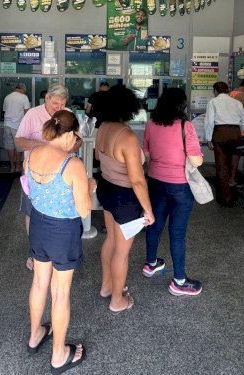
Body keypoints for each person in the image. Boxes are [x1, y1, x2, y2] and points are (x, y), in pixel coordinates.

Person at [24, 110, 93, 374]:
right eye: (76, 136)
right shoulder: (71, 164)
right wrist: (89, 186)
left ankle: (35, 336)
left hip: (39, 224)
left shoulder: (31, 154)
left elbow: (30, 189)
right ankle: (59, 355)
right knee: (60, 293)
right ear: (71, 134)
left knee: (39, 283)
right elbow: (84, 210)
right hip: (63, 231)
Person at [95, 84, 154, 312]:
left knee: (111, 239)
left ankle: (106, 287)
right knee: (122, 251)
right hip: (125, 197)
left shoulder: (103, 127)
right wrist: (148, 210)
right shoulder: (127, 136)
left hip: (107, 188)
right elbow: (138, 181)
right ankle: (117, 300)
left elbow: (98, 157)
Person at [143, 88, 204, 296]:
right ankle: (179, 281)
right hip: (179, 186)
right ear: (182, 105)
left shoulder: (151, 123)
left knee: (154, 224)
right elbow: (196, 160)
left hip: (155, 181)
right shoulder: (185, 126)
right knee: (177, 233)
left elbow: (147, 153)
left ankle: (151, 263)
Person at [15, 84, 73, 270]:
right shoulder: (32, 114)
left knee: (58, 213)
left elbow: (77, 139)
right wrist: (42, 146)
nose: (59, 107)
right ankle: (34, 253)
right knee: (32, 212)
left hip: (61, 173)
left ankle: (55, 252)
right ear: (46, 98)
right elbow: (19, 141)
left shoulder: (67, 113)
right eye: (55, 103)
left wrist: (68, 148)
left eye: (62, 103)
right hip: (35, 172)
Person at [204, 81, 244, 207]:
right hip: (235, 133)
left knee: (221, 165)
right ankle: (231, 188)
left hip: (220, 133)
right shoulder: (237, 103)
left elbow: (209, 122)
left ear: (216, 91)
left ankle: (225, 198)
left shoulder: (213, 102)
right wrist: (236, 131)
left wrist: (208, 139)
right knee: (231, 163)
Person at [2, 83, 30, 172]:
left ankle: (12, 167)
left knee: (10, 146)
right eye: (24, 90)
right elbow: (27, 112)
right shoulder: (24, 97)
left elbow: (5, 110)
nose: (24, 91)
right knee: (19, 146)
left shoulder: (7, 97)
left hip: (7, 124)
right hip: (18, 125)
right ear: (22, 88)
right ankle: (18, 166)